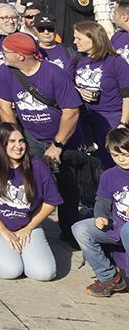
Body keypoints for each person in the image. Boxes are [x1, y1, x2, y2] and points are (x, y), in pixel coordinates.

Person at [0, 31, 82, 241]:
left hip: (62, 137)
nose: (2, 55)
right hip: (29, 135)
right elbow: (4, 107)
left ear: (20, 56)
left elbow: (72, 112)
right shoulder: (5, 72)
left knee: (66, 184)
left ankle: (68, 231)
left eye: (5, 52)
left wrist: (58, 144)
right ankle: (28, 226)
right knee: (28, 181)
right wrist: (15, 140)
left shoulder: (54, 74)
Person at [0, 122, 63, 281]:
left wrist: (29, 228)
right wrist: (3, 230)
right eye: (12, 141)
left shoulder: (37, 166)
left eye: (21, 141)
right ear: (1, 143)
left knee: (44, 273)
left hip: (26, 225)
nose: (19, 146)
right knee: (11, 270)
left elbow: (51, 202)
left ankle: (16, 253)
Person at [71, 125, 129, 297]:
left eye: (125, 154)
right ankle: (109, 277)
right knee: (80, 228)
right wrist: (101, 216)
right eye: (115, 155)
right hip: (117, 225)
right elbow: (102, 201)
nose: (121, 159)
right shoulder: (109, 175)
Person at [71, 20, 129, 162]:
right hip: (84, 116)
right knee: (90, 160)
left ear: (93, 38)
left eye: (78, 38)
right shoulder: (77, 57)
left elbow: (127, 95)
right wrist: (77, 90)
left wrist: (123, 123)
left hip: (110, 118)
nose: (74, 41)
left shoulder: (116, 62)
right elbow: (65, 81)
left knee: (111, 158)